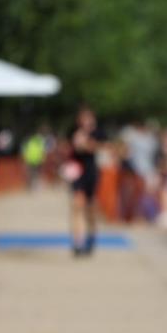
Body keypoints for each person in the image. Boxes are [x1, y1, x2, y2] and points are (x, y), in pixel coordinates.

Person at [66, 107, 106, 256]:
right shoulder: (73, 132)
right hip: (77, 172)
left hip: (91, 172)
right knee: (77, 205)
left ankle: (91, 236)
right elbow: (71, 148)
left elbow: (98, 148)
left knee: (90, 208)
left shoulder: (98, 133)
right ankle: (77, 242)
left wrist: (86, 143)